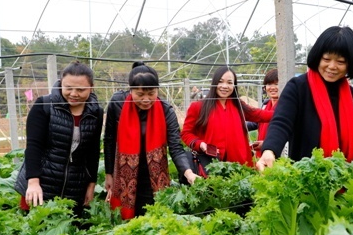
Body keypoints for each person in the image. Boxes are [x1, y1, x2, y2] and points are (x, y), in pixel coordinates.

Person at [256, 25, 353, 171]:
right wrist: (269, 150)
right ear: (318, 57)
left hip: (348, 183)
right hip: (307, 185)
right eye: (326, 59)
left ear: (350, 64)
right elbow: (281, 123)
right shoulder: (298, 88)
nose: (332, 66)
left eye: (341, 61)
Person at [104, 61, 198, 220]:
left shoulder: (166, 109)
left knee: (153, 220)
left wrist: (189, 173)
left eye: (151, 93)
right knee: (125, 221)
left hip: (155, 179)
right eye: (140, 94)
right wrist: (108, 175)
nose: (146, 99)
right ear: (131, 90)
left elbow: (176, 147)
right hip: (124, 178)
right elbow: (109, 140)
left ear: (157, 90)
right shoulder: (117, 103)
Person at [15, 61, 103, 217]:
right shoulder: (44, 105)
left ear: (91, 87)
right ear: (61, 83)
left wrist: (91, 184)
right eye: (68, 88)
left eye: (81, 89)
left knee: (68, 233)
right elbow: (34, 146)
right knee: (36, 233)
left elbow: (93, 151)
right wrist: (33, 182)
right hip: (41, 185)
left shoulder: (95, 112)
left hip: (75, 187)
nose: (74, 94)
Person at [181, 65, 274, 167]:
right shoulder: (198, 107)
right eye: (220, 81)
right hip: (211, 164)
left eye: (229, 83)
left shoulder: (237, 105)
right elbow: (186, 133)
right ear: (214, 83)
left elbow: (259, 115)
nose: (225, 86)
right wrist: (200, 144)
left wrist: (285, 113)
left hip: (240, 164)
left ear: (234, 86)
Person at [251, 69, 283, 158]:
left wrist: (267, 144)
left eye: (276, 84)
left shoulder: (286, 107)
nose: (272, 87)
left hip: (280, 155)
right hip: (262, 155)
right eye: (269, 84)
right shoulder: (265, 105)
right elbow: (256, 122)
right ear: (265, 87)